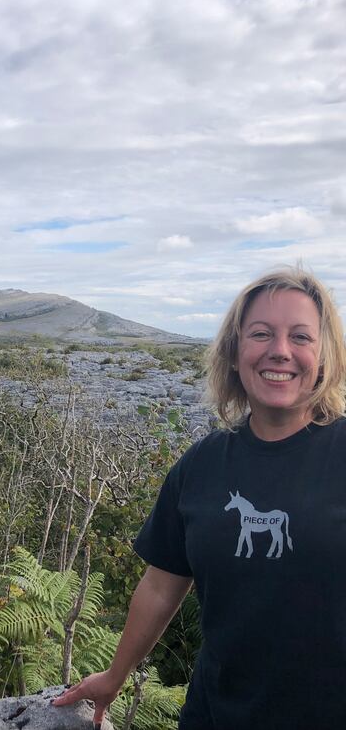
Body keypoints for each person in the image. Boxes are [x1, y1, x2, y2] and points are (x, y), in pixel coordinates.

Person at [53, 267, 346, 729]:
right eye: (261, 333)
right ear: (234, 352)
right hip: (215, 716)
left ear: (325, 356)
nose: (280, 350)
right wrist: (114, 676)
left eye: (301, 337)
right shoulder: (201, 465)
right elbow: (159, 585)